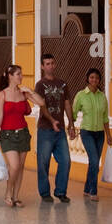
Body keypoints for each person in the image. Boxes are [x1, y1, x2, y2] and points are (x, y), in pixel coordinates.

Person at [0, 65, 47, 207]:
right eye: (18, 74)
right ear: (10, 76)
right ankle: (8, 192)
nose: (21, 76)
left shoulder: (24, 93)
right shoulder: (3, 94)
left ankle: (15, 197)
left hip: (23, 133)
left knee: (21, 166)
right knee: (14, 165)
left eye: (21, 74)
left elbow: (41, 102)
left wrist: (30, 91)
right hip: (7, 134)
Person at [34, 53, 76, 203]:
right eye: (47, 64)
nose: (50, 66)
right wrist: (52, 120)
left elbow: (66, 104)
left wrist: (71, 124)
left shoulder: (62, 84)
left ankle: (61, 191)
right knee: (43, 162)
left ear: (55, 64)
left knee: (65, 160)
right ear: (42, 66)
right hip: (46, 129)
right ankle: (45, 192)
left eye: (52, 63)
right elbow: (42, 105)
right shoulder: (40, 85)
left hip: (60, 131)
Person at [72, 67, 112, 200]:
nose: (94, 80)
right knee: (95, 161)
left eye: (96, 78)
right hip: (87, 132)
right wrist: (70, 127)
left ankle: (86, 188)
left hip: (100, 134)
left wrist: (109, 135)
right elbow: (73, 113)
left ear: (99, 80)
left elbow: (105, 118)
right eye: (91, 77)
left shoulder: (102, 97)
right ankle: (93, 191)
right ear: (88, 79)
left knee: (93, 162)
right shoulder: (81, 95)